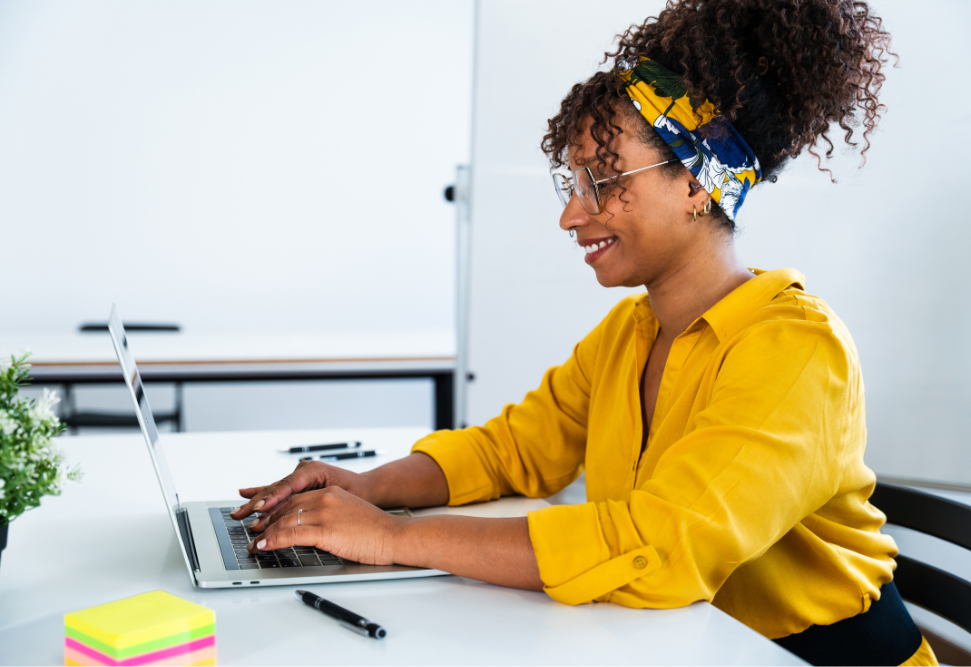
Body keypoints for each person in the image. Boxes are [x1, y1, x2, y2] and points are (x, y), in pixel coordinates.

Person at [231, 1, 935, 664]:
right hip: (691, 645)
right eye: (572, 184)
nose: (572, 215)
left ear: (698, 184)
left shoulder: (798, 353)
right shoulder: (632, 331)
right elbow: (511, 451)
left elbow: (659, 549)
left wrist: (393, 538)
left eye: (603, 180)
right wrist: (368, 488)